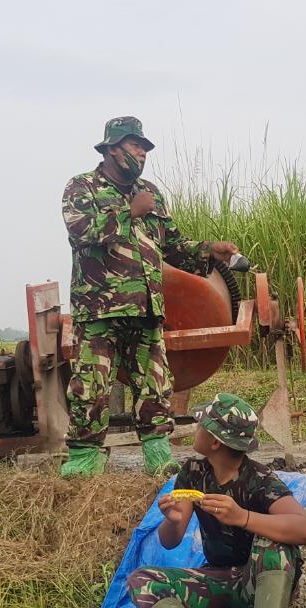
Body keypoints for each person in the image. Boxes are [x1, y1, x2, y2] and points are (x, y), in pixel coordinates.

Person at [60, 116, 241, 478]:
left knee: (155, 385)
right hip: (100, 309)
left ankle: (158, 456)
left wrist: (209, 251)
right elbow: (80, 232)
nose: (141, 153)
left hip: (147, 309)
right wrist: (129, 212)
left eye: (144, 148)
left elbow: (172, 246)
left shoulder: (151, 193)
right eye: (134, 146)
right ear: (112, 148)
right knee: (90, 387)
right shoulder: (83, 186)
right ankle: (84, 461)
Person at [127, 394, 306, 608]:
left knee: (275, 543)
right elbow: (170, 540)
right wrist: (174, 520)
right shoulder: (193, 473)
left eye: (200, 424)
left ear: (215, 441)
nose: (195, 429)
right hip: (220, 583)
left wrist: (242, 517)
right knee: (142, 579)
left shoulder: (260, 479)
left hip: (261, 584)